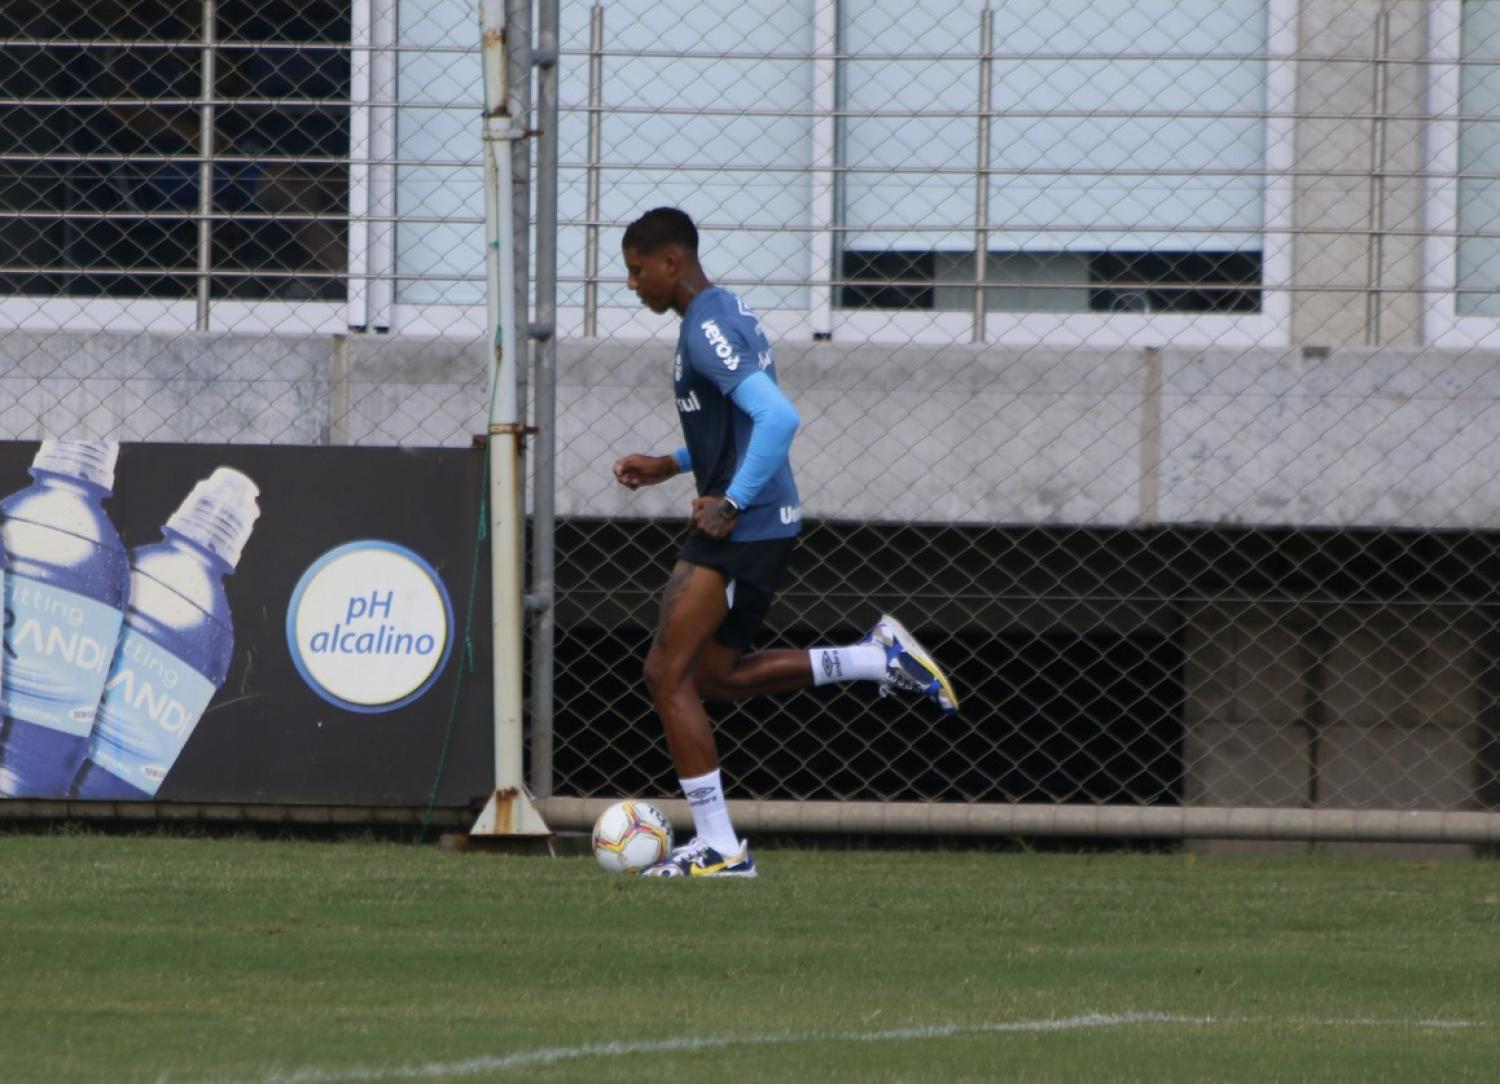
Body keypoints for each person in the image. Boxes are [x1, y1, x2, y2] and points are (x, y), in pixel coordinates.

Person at [612, 207, 959, 879]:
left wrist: (731, 501)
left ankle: (718, 846)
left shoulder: (706, 327)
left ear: (670, 263)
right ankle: (871, 659)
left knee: (665, 673)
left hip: (745, 523)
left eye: (635, 270)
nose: (632, 285)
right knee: (712, 675)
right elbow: (738, 424)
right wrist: (671, 464)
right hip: (761, 520)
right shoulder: (718, 312)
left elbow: (779, 417)